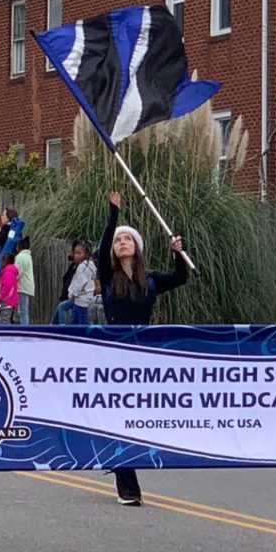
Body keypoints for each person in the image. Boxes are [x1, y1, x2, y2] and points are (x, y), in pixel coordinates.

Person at [96, 191, 190, 506]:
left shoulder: (149, 281)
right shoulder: (108, 277)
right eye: (118, 240)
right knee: (121, 418)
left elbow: (180, 277)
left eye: (128, 239)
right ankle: (128, 487)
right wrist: (113, 215)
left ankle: (114, 453)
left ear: (137, 248)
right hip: (113, 353)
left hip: (142, 355)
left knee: (137, 417)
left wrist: (178, 251)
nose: (122, 242)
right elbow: (101, 248)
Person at [14, 235, 36, 325]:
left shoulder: (20, 257)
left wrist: (11, 281)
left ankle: (24, 328)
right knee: (23, 310)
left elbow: (17, 272)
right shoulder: (27, 256)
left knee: (23, 311)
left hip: (23, 286)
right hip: (26, 286)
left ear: (19, 247)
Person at [0, 252, 20, 324]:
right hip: (8, 299)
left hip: (7, 300)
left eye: (2, 261)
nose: (0, 263)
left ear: (5, 262)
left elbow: (7, 286)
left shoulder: (7, 273)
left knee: (5, 320)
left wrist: (1, 296)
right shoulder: (8, 272)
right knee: (3, 319)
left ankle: (7, 334)